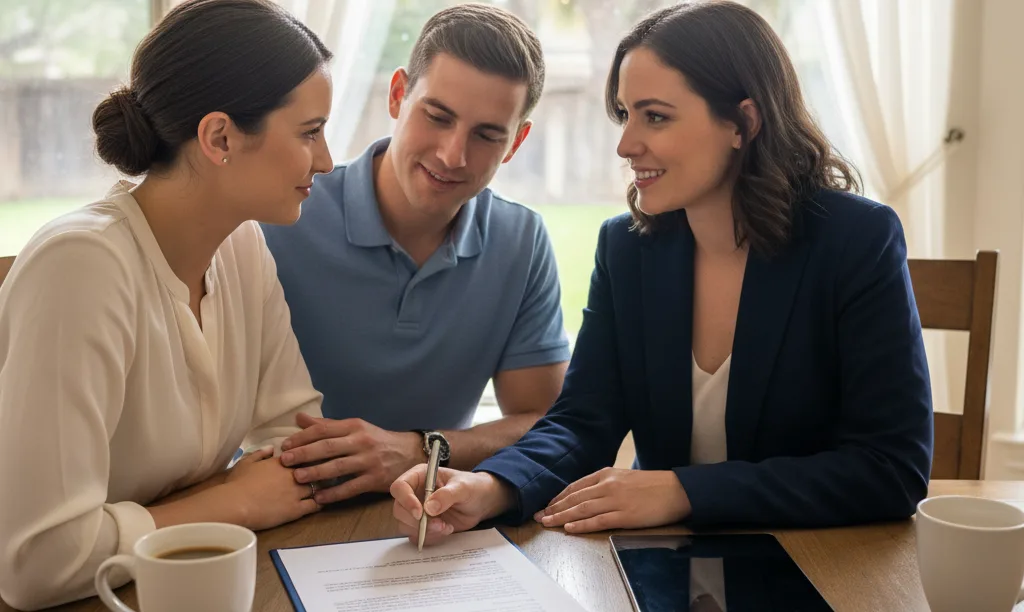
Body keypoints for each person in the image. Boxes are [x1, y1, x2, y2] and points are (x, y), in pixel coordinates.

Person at [389, 0, 934, 547]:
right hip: (670, 566)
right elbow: (583, 423)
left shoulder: (855, 240)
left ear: (743, 122)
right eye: (625, 115)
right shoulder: (628, 250)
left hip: (825, 562)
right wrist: (492, 486)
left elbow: (890, 468)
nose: (626, 145)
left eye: (655, 116)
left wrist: (684, 491)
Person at [0, 0, 335, 608]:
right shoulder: (80, 267)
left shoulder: (242, 244)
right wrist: (234, 500)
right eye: (310, 132)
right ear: (219, 137)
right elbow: (35, 561)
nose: (326, 160)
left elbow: (294, 443)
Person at [263, 4, 570, 504]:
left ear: (515, 142)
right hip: (285, 510)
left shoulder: (522, 239)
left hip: (434, 518)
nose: (453, 155)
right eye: (437, 116)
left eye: (487, 135)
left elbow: (543, 422)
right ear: (398, 94)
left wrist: (422, 450)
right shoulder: (283, 217)